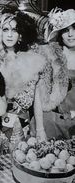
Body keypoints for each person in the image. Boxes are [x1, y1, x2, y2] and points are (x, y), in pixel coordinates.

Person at [0, 10, 48, 144]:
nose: (10, 34)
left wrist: (40, 130)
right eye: (5, 29)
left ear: (21, 35)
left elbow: (30, 100)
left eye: (15, 30)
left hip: (20, 124)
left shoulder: (30, 60)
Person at [40, 8, 75, 139]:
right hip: (57, 118)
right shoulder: (53, 56)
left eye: (74, 28)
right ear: (60, 34)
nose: (71, 34)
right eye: (66, 30)